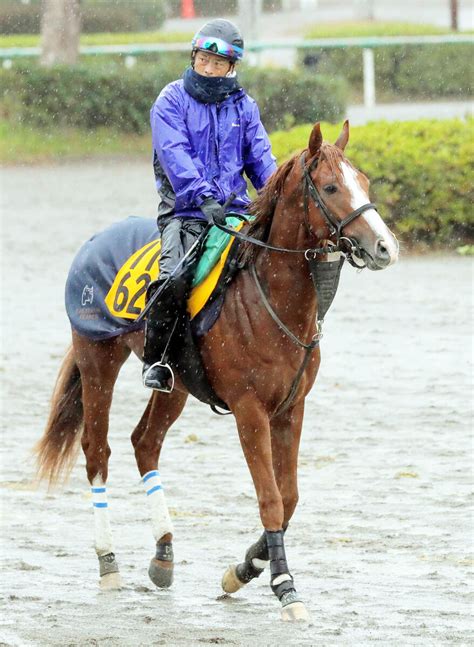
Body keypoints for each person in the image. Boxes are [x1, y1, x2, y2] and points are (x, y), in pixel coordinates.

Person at [142, 18, 277, 392]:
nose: (209, 68)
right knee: (174, 279)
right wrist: (203, 197)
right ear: (194, 56)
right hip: (185, 212)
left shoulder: (244, 106)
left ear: (232, 67)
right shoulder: (170, 101)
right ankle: (159, 360)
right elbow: (175, 157)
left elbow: (262, 159)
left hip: (236, 214)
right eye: (204, 59)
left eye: (218, 64)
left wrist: (279, 192)